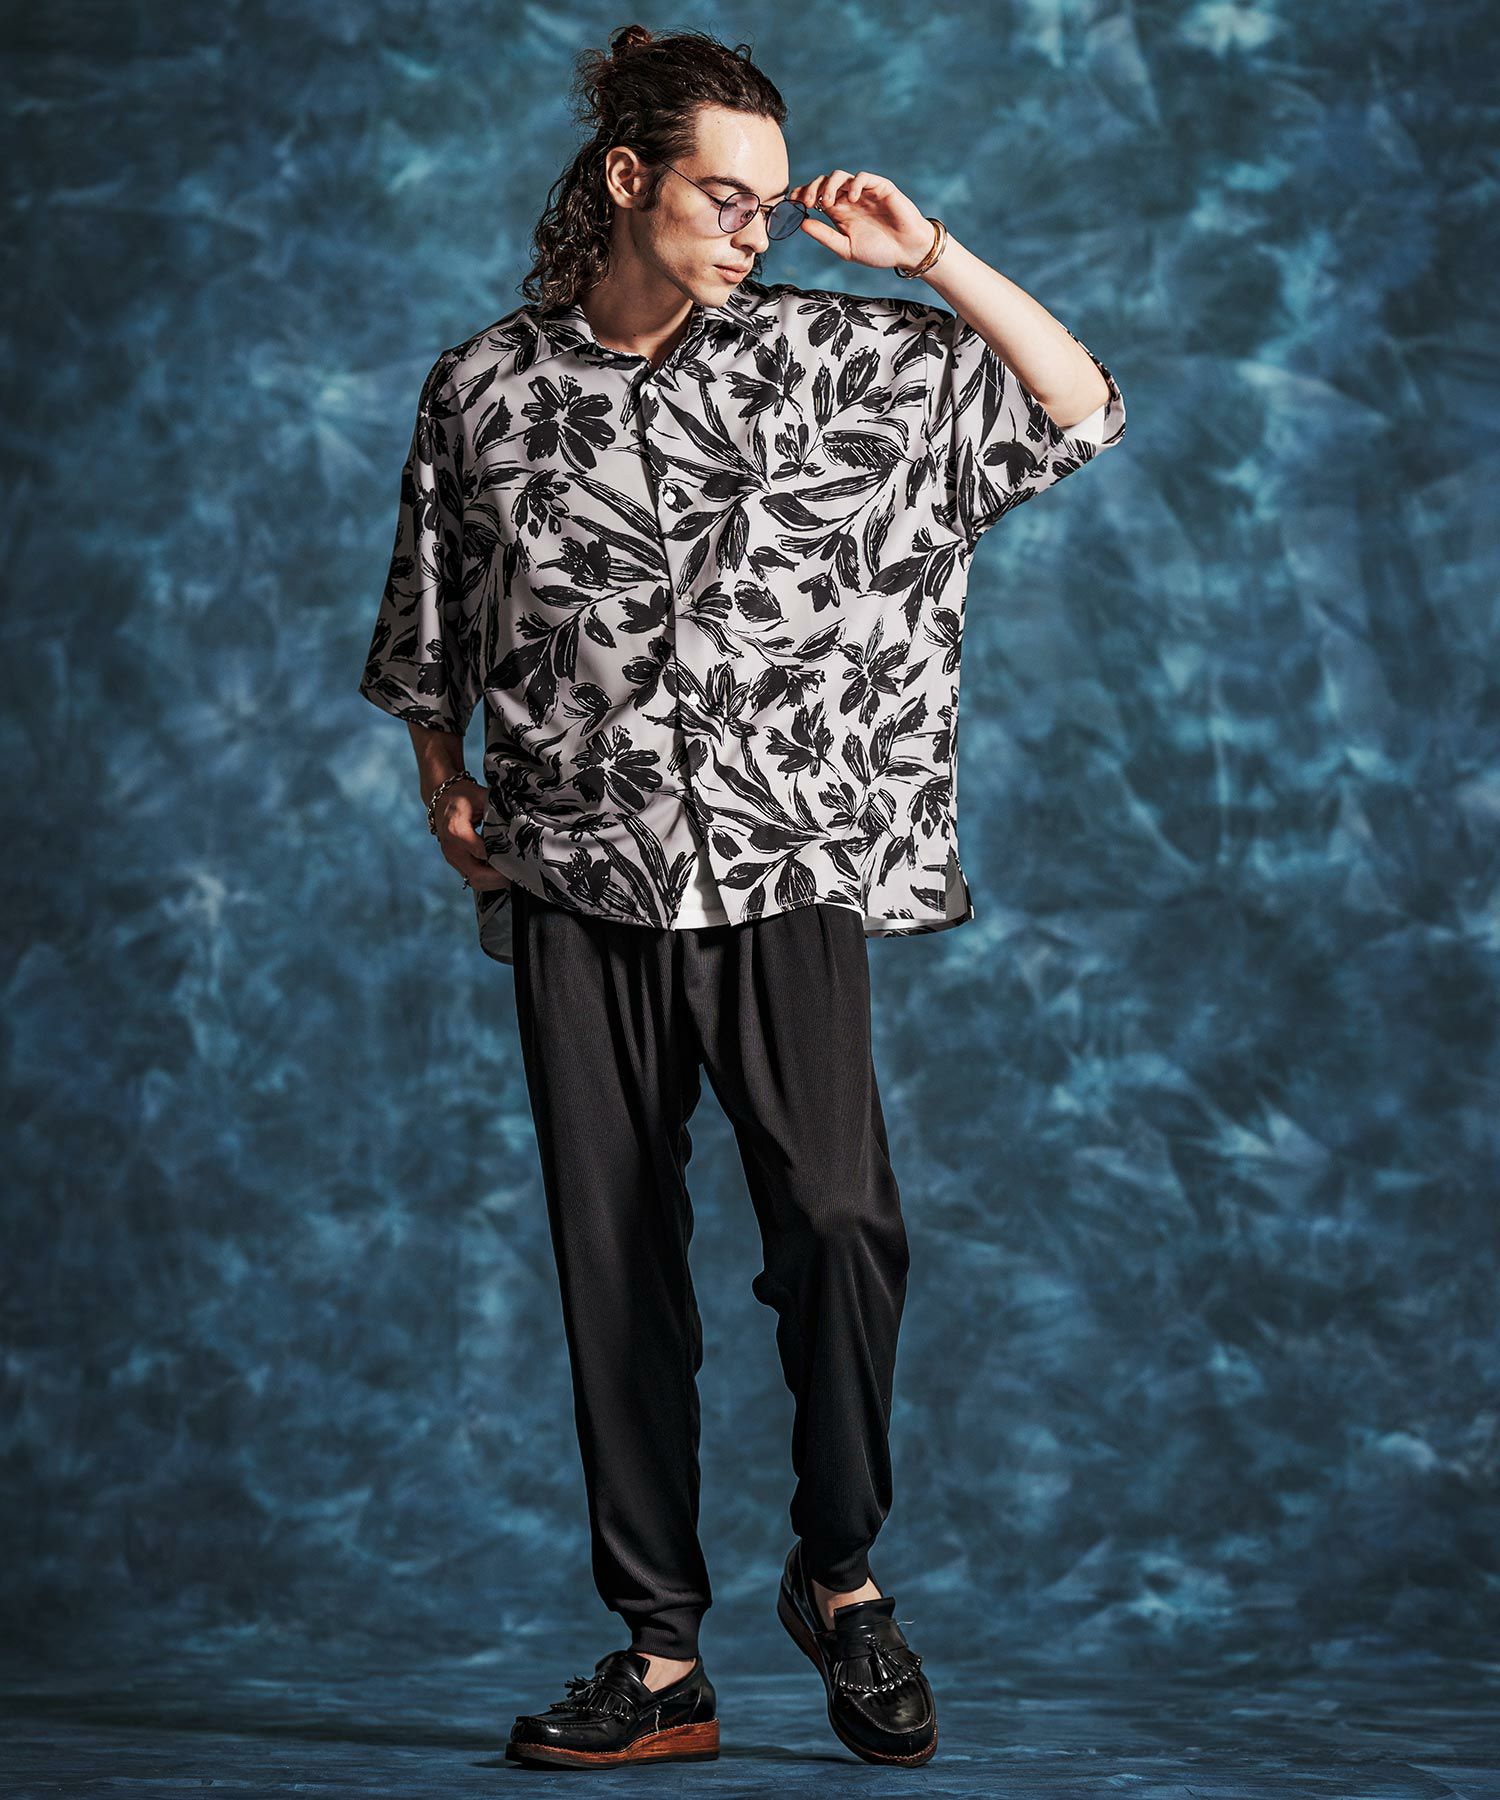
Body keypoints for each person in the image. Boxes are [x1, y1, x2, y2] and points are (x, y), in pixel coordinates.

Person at [357, 23, 1125, 1772]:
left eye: (772, 205)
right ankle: (659, 1661)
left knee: (840, 1226)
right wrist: (442, 783)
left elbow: (1077, 405)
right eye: (726, 195)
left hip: (785, 870)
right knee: (615, 1271)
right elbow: (428, 634)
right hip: (578, 877)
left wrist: (931, 257)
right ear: (628, 178)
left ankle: (839, 1573)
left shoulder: (837, 361)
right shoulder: (481, 391)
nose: (755, 229)